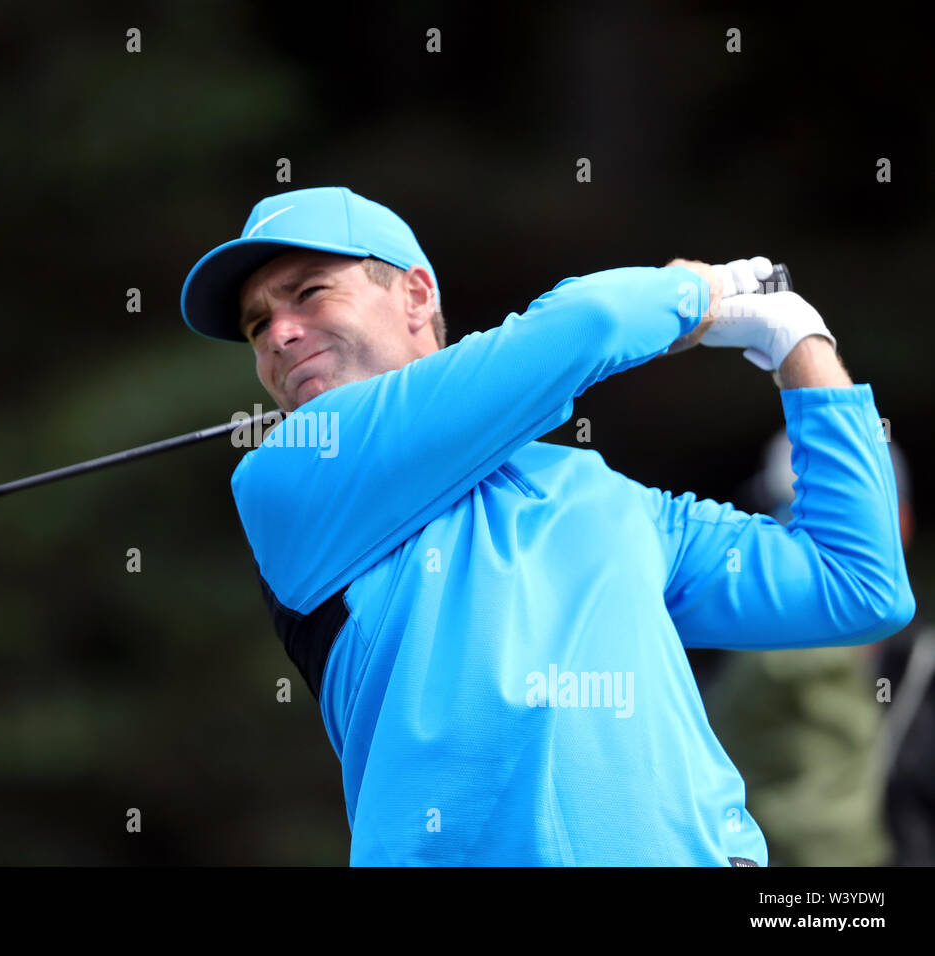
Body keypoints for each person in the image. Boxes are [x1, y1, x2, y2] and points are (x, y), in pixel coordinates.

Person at [179, 185, 916, 865]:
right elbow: (591, 325)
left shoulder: (606, 497)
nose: (278, 333)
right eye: (257, 325)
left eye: (309, 294)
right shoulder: (288, 476)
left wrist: (799, 342)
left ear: (414, 294)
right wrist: (701, 292)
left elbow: (857, 586)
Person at [702, 431, 915, 866]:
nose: (785, 537)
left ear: (898, 525)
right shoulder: (756, 661)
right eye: (778, 516)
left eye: (823, 522)